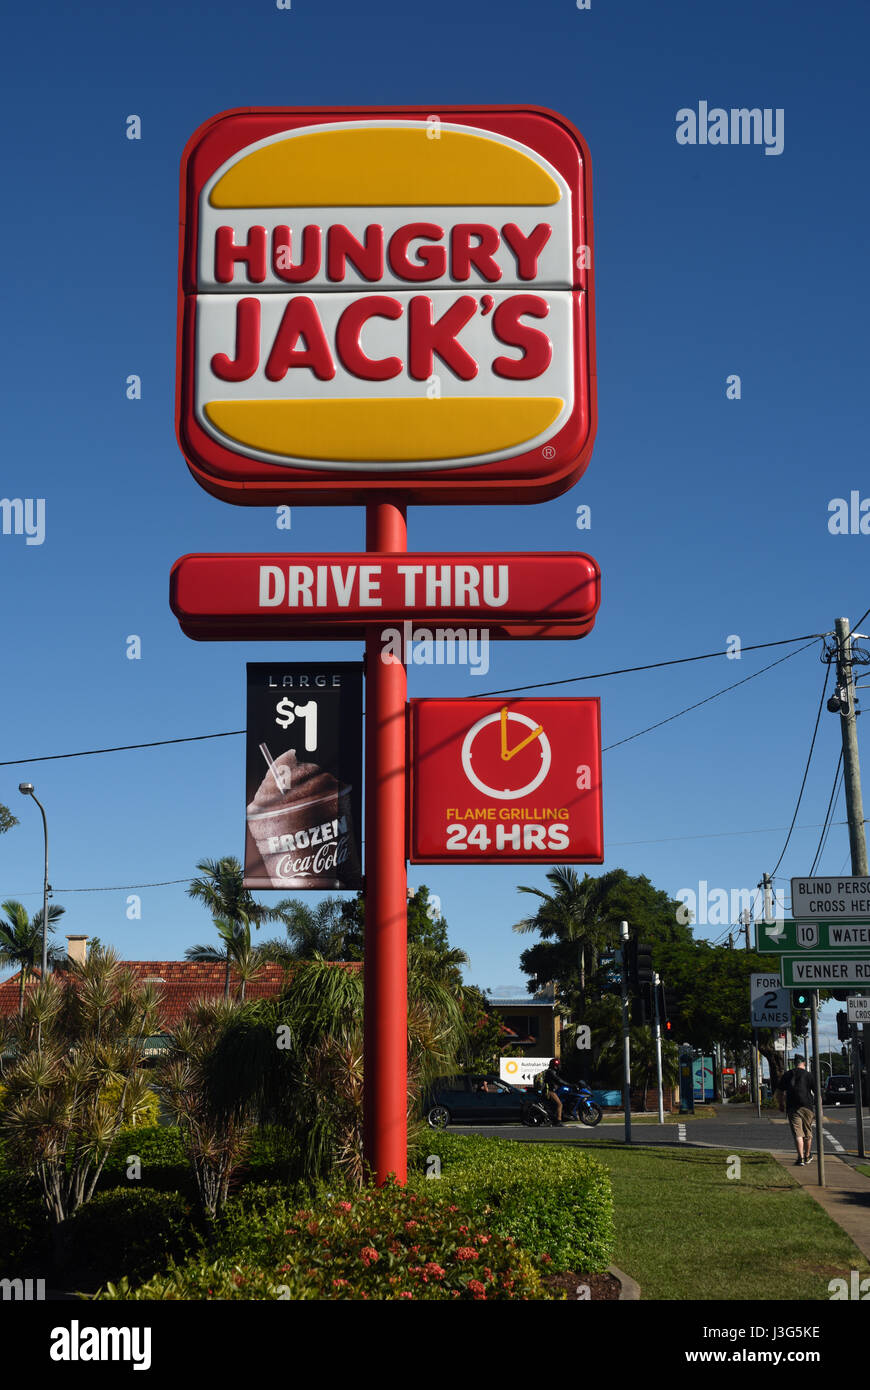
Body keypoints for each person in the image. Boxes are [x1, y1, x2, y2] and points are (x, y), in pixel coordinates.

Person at [775, 1058, 816, 1166]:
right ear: (804, 1064)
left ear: (794, 1063)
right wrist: (819, 1108)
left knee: (798, 1133)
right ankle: (807, 1155)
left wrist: (781, 1104)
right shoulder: (808, 1075)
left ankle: (800, 1158)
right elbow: (817, 1092)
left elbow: (779, 1091)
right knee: (808, 1132)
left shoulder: (787, 1074)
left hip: (792, 1106)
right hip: (807, 1106)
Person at [541, 1057, 564, 1126]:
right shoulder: (551, 1072)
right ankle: (559, 1121)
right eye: (557, 1065)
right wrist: (570, 1085)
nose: (558, 1067)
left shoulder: (549, 1071)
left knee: (554, 1105)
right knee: (559, 1104)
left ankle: (553, 1119)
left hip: (548, 1090)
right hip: (549, 1091)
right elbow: (559, 1080)